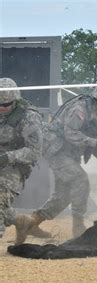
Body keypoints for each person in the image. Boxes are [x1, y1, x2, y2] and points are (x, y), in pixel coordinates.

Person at [25, 86, 97, 238]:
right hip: (57, 150)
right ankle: (78, 227)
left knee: (63, 196)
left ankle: (30, 223)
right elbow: (70, 134)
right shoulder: (80, 109)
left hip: (70, 154)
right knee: (80, 180)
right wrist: (95, 143)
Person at [0, 77, 46, 245]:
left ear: (15, 101)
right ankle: (21, 222)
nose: (1, 108)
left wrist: (7, 157)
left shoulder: (29, 118)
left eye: (5, 105)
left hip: (15, 167)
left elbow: (34, 152)